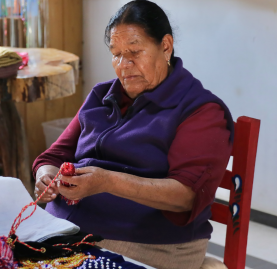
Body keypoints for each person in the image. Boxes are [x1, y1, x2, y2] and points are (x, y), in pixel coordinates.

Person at [32, 1, 234, 268]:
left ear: (166, 46)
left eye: (135, 52)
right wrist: (44, 175)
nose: (123, 65)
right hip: (66, 229)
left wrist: (107, 182)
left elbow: (186, 195)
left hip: (146, 243)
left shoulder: (200, 110)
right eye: (116, 54)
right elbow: (54, 155)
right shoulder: (101, 95)